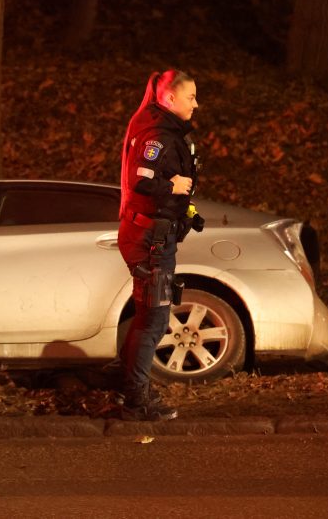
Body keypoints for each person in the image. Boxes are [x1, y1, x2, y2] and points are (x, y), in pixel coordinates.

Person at [116, 69, 204, 421]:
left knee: (150, 317)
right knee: (153, 319)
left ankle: (131, 390)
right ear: (169, 98)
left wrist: (185, 211)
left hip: (155, 235)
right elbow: (142, 179)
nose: (196, 104)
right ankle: (136, 402)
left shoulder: (163, 129)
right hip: (150, 240)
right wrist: (173, 188)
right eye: (191, 97)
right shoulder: (156, 134)